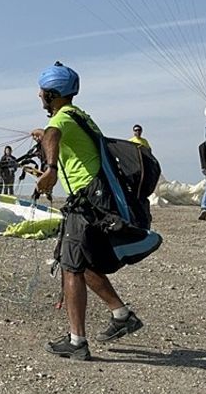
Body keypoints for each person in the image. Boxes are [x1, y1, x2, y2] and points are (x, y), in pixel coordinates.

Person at [32, 62, 142, 360]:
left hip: (87, 203)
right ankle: (121, 315)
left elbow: (55, 134)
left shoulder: (63, 118)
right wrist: (44, 138)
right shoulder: (81, 116)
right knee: (85, 261)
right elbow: (57, 136)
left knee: (71, 266)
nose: (39, 96)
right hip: (98, 201)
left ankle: (77, 341)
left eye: (42, 92)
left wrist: (51, 169)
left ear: (51, 94)